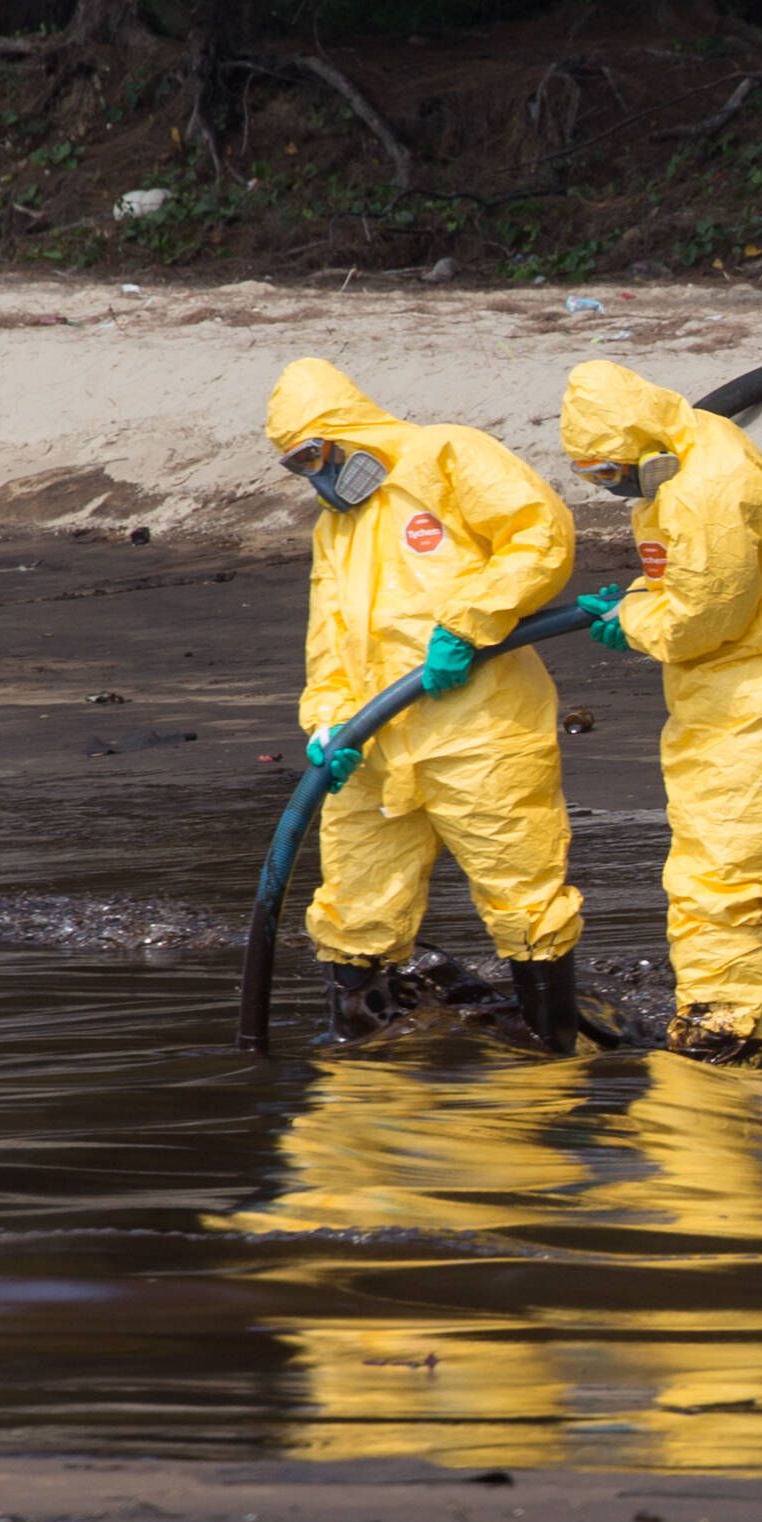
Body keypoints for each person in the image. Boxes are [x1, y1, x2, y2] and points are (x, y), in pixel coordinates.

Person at [266, 358, 584, 1052]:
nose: (314, 477)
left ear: (347, 432)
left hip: (481, 731)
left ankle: (552, 1058)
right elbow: (328, 637)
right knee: (355, 903)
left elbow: (542, 534)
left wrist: (470, 620)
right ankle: (364, 1063)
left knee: (522, 892)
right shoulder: (336, 528)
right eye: (295, 466)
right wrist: (325, 721)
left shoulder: (448, 456)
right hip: (373, 743)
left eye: (315, 456)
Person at [559, 360, 762, 1065]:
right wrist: (638, 593)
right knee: (705, 867)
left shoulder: (704, 490)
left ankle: (724, 1036)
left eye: (609, 473)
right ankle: (715, 1013)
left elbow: (702, 616)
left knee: (727, 876)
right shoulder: (688, 446)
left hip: (756, 698)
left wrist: (634, 620)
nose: (610, 488)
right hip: (726, 695)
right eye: (592, 477)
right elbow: (690, 575)